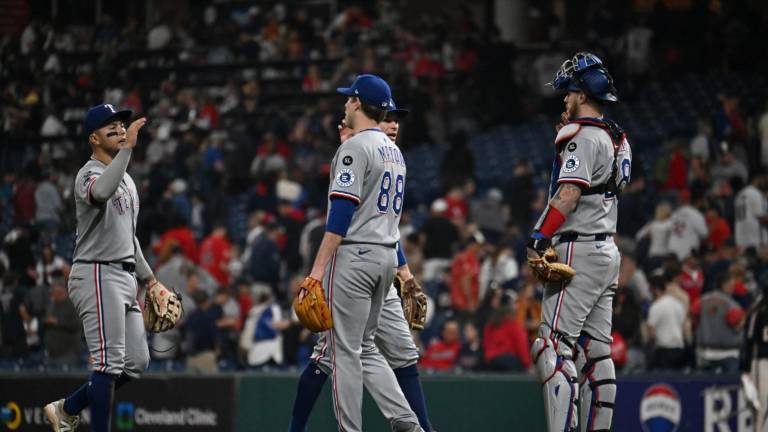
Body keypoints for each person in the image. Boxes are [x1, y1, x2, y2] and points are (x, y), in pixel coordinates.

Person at [289, 92, 432, 432]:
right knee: (360, 349)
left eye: (348, 99)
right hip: (383, 258)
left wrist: (316, 273)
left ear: (356, 103)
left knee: (344, 354)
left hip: (354, 256)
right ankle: (409, 422)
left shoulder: (356, 148)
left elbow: (340, 215)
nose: (395, 123)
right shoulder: (394, 153)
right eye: (390, 115)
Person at [527, 53, 631, 432]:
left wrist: (540, 236)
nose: (565, 97)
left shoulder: (582, 137)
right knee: (596, 351)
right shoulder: (616, 136)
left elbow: (568, 194)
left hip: (579, 249)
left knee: (552, 345)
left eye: (570, 91)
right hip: (607, 250)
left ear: (583, 92)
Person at [43, 104, 160, 432]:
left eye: (121, 125)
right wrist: (127, 152)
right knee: (108, 364)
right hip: (96, 272)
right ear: (93, 137)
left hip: (123, 274)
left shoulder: (127, 180)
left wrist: (151, 281)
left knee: (136, 361)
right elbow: (101, 192)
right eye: (111, 126)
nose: (120, 130)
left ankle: (67, 408)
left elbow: (129, 238)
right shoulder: (88, 173)